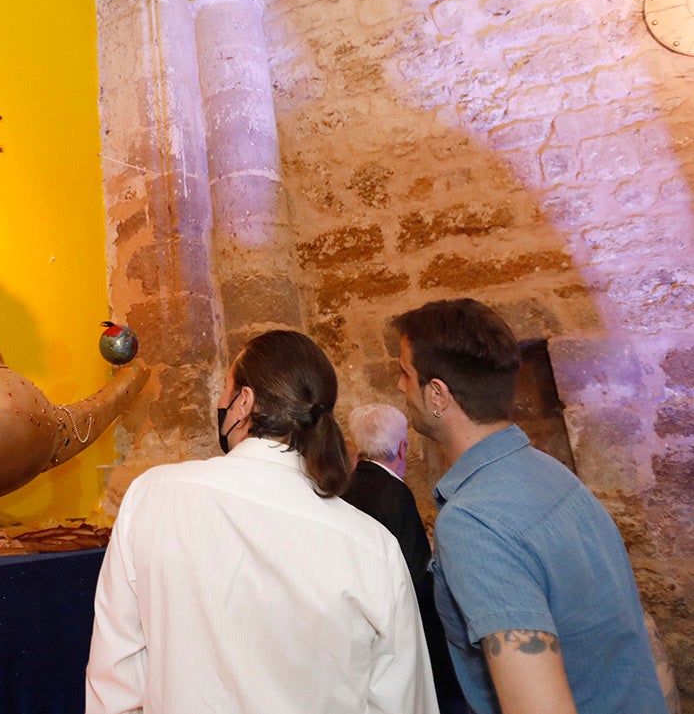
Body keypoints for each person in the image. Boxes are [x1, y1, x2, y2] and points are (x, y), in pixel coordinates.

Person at [85, 330, 437, 714]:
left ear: (244, 402)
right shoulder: (373, 546)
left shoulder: (154, 496)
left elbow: (116, 682)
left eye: (225, 389)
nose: (220, 401)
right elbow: (402, 701)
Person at [393, 298, 666, 714]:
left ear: (437, 395)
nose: (399, 387)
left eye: (404, 373)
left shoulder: (474, 522)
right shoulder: (551, 474)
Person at [343, 404, 465, 714]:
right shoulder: (395, 493)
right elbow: (417, 579)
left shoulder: (347, 490)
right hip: (402, 638)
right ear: (403, 447)